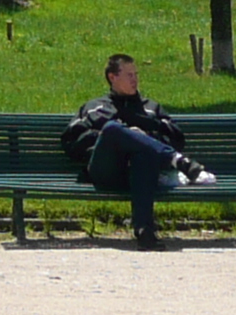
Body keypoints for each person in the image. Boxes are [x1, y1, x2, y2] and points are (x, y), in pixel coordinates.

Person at [62, 52, 213, 248]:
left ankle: (145, 233)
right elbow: (71, 143)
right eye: (129, 75)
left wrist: (142, 137)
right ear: (112, 77)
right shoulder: (94, 108)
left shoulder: (150, 108)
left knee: (143, 153)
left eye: (136, 74)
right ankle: (179, 162)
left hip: (143, 173)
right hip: (106, 171)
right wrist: (111, 138)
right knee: (112, 129)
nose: (135, 80)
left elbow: (176, 137)